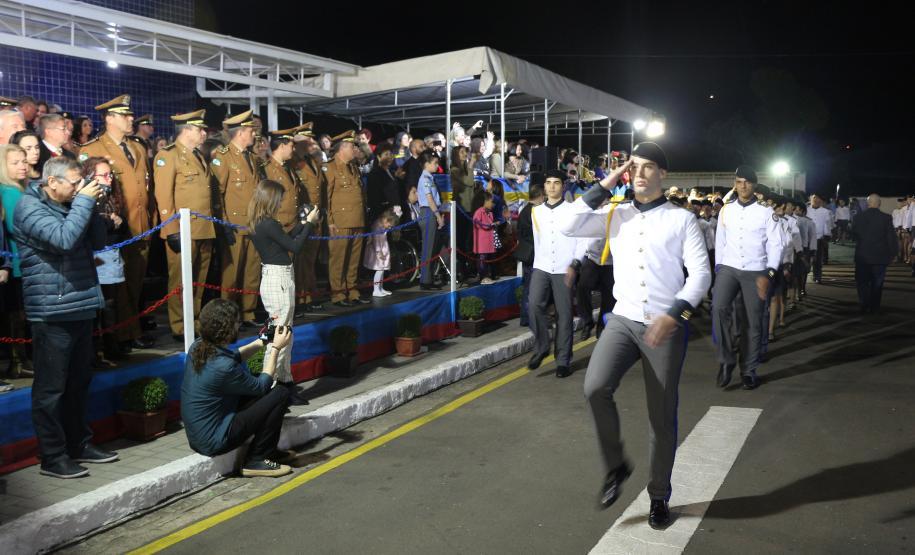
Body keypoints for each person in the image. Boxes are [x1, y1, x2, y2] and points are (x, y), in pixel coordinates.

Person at [560, 142, 710, 529]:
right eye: (633, 167)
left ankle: (659, 494)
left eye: (647, 167)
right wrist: (609, 179)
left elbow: (701, 276)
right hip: (623, 321)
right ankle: (616, 467)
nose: (639, 173)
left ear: (663, 174)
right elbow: (568, 223)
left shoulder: (682, 220)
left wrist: (675, 314)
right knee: (594, 387)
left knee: (661, 416)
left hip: (665, 325)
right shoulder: (616, 213)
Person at [15, 157, 118, 478]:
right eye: (74, 183)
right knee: (51, 390)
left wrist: (94, 206)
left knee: (78, 382)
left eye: (80, 183)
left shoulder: (75, 202)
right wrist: (84, 202)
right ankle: (52, 455)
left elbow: (98, 242)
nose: (79, 188)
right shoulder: (28, 209)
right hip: (52, 309)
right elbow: (63, 239)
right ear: (52, 182)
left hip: (81, 302)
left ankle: (79, 442)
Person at [181, 299, 295, 477]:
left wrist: (263, 341)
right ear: (226, 329)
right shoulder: (223, 368)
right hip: (215, 440)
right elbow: (262, 386)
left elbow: (234, 356)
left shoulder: (198, 346)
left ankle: (269, 450)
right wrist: (275, 348)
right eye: (236, 323)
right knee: (279, 393)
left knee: (266, 396)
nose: (238, 326)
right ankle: (257, 459)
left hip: (200, 435)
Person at [78, 95, 154, 351]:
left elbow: (146, 188)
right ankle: (120, 336)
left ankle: (131, 330)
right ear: (110, 118)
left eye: (130, 115)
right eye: (125, 115)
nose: (131, 119)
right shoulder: (92, 149)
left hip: (140, 226)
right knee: (115, 289)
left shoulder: (137, 148)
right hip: (112, 231)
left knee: (134, 283)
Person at [712, 167, 784, 390]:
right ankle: (726, 360)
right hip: (729, 268)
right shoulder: (726, 210)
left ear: (754, 184)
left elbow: (776, 244)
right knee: (718, 308)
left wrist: (769, 273)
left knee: (752, 323)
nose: (742, 186)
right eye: (738, 181)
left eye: (747, 182)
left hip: (756, 271)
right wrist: (719, 266)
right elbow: (720, 240)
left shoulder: (766, 212)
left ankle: (749, 370)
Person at [248, 180, 320, 403]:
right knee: (278, 337)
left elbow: (284, 240)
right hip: (278, 280)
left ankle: (285, 383)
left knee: (284, 334)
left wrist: (302, 223)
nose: (281, 202)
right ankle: (271, 389)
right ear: (271, 199)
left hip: (275, 277)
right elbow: (295, 247)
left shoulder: (262, 222)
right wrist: (309, 224)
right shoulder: (268, 224)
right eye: (278, 198)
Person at [152, 110, 215, 340]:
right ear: (187, 130)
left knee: (198, 278)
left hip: (203, 228)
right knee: (180, 280)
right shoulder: (168, 156)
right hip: (183, 230)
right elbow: (164, 197)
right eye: (199, 128)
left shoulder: (197, 154)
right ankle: (180, 324)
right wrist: (170, 230)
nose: (203, 133)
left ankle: (195, 319)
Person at [211, 110, 261, 326]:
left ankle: (248, 312)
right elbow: (217, 194)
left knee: (252, 271)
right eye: (251, 130)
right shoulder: (222, 157)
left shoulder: (252, 158)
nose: (254, 134)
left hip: (253, 224)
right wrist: (223, 224)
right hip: (234, 224)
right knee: (231, 275)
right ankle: (228, 317)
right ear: (241, 132)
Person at [527, 169, 579, 378]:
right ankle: (542, 347)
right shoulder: (536, 211)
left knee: (564, 315)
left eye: (556, 183)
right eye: (548, 182)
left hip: (564, 267)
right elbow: (537, 240)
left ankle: (563, 361)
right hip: (542, 266)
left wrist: (575, 263)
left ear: (563, 186)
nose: (551, 186)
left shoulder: (572, 210)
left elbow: (581, 238)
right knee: (533, 305)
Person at [0, 144, 35, 380]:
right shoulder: (9, 192)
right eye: (15, 162)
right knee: (18, 313)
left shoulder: (20, 189)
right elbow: (17, 228)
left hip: (20, 258)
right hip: (17, 259)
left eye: (23, 161)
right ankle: (18, 360)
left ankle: (20, 359)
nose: (22, 165)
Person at [325, 130, 370, 306]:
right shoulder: (329, 167)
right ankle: (338, 294)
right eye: (352, 146)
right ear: (342, 148)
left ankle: (352, 291)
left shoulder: (353, 167)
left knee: (353, 260)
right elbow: (326, 198)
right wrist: (329, 221)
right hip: (340, 222)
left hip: (357, 220)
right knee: (338, 260)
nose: (355, 149)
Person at [291, 123, 325, 315]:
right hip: (302, 219)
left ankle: (308, 296)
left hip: (315, 217)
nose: (312, 142)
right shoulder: (294, 162)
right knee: (299, 261)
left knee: (309, 261)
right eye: (307, 139)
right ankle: (300, 297)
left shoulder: (311, 160)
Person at [852, 194, 898, 313]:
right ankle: (874, 306)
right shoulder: (886, 218)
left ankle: (864, 303)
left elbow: (853, 235)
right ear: (879, 204)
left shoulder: (858, 217)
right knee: (877, 282)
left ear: (868, 203)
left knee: (862, 281)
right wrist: (893, 253)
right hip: (880, 256)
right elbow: (891, 237)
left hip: (862, 255)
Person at [514, 184, 543, 327]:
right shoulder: (535, 212)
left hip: (527, 254)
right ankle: (529, 317)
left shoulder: (524, 211)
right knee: (532, 288)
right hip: (534, 255)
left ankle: (526, 317)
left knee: (528, 286)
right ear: (539, 196)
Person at [416, 150, 445, 290]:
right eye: (434, 163)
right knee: (428, 248)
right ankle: (425, 281)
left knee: (433, 248)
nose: (437, 165)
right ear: (426, 164)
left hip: (432, 212)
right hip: (428, 213)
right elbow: (430, 200)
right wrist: (438, 216)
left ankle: (429, 278)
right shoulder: (425, 179)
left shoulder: (430, 178)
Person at [364, 209, 397, 297]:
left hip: (383, 249)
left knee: (382, 270)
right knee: (379, 270)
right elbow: (376, 241)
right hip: (378, 251)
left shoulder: (382, 226)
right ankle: (376, 290)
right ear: (386, 220)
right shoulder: (377, 226)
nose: (389, 228)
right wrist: (379, 252)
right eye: (389, 225)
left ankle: (380, 288)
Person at [472, 192, 499, 285]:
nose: (493, 204)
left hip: (489, 242)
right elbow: (478, 224)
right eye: (491, 201)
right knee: (482, 260)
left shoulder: (490, 213)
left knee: (489, 260)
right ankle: (483, 276)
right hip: (482, 242)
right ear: (485, 201)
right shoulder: (479, 212)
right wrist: (490, 225)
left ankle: (490, 275)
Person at [807, 194, 832, 283]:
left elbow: (827, 225)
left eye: (818, 198)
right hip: (807, 238)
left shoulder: (825, 211)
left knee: (818, 259)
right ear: (810, 199)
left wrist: (826, 236)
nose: (816, 200)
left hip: (819, 238)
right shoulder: (806, 210)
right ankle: (803, 278)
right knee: (808, 258)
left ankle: (817, 276)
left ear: (820, 201)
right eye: (814, 198)